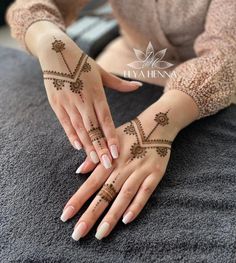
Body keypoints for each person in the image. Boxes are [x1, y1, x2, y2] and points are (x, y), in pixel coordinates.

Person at [6, 0, 236, 241]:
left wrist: (159, 123)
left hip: (213, 83)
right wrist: (46, 37)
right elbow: (32, 5)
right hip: (131, 61)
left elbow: (226, 54)